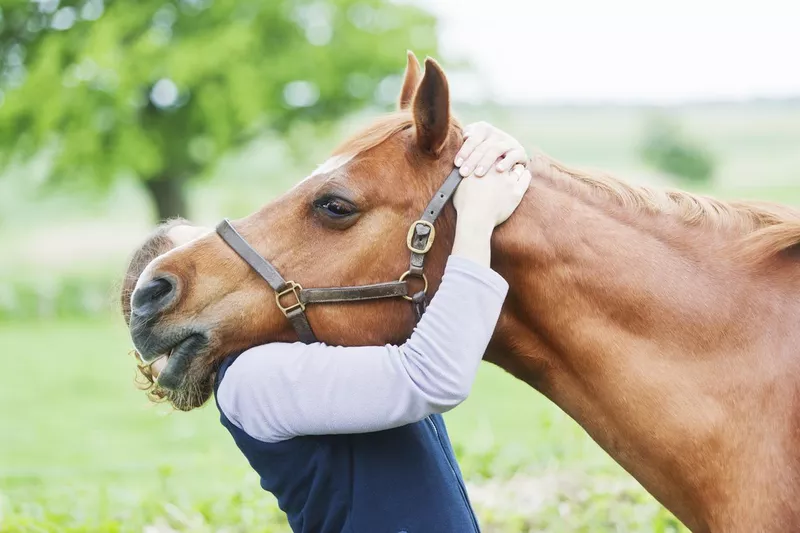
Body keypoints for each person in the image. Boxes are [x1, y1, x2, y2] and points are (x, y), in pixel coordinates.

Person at [121, 122, 531, 533]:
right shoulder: (249, 381)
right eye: (197, 255)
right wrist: (477, 216)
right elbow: (429, 377)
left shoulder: (312, 343)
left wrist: (483, 153)